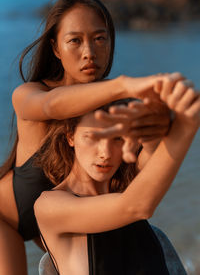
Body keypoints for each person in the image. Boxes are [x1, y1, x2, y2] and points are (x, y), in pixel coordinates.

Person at [0, 0, 173, 275]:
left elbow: (141, 176)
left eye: (99, 39)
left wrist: (163, 125)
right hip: (7, 221)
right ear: (55, 48)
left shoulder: (111, 109)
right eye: (75, 41)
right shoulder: (30, 94)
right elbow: (53, 107)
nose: (89, 53)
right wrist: (123, 84)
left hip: (56, 219)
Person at [34, 77, 200, 275]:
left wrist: (160, 118)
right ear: (70, 136)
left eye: (118, 139)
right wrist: (185, 126)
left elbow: (152, 147)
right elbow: (136, 207)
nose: (105, 152)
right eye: (93, 137)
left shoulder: (130, 188)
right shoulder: (49, 206)